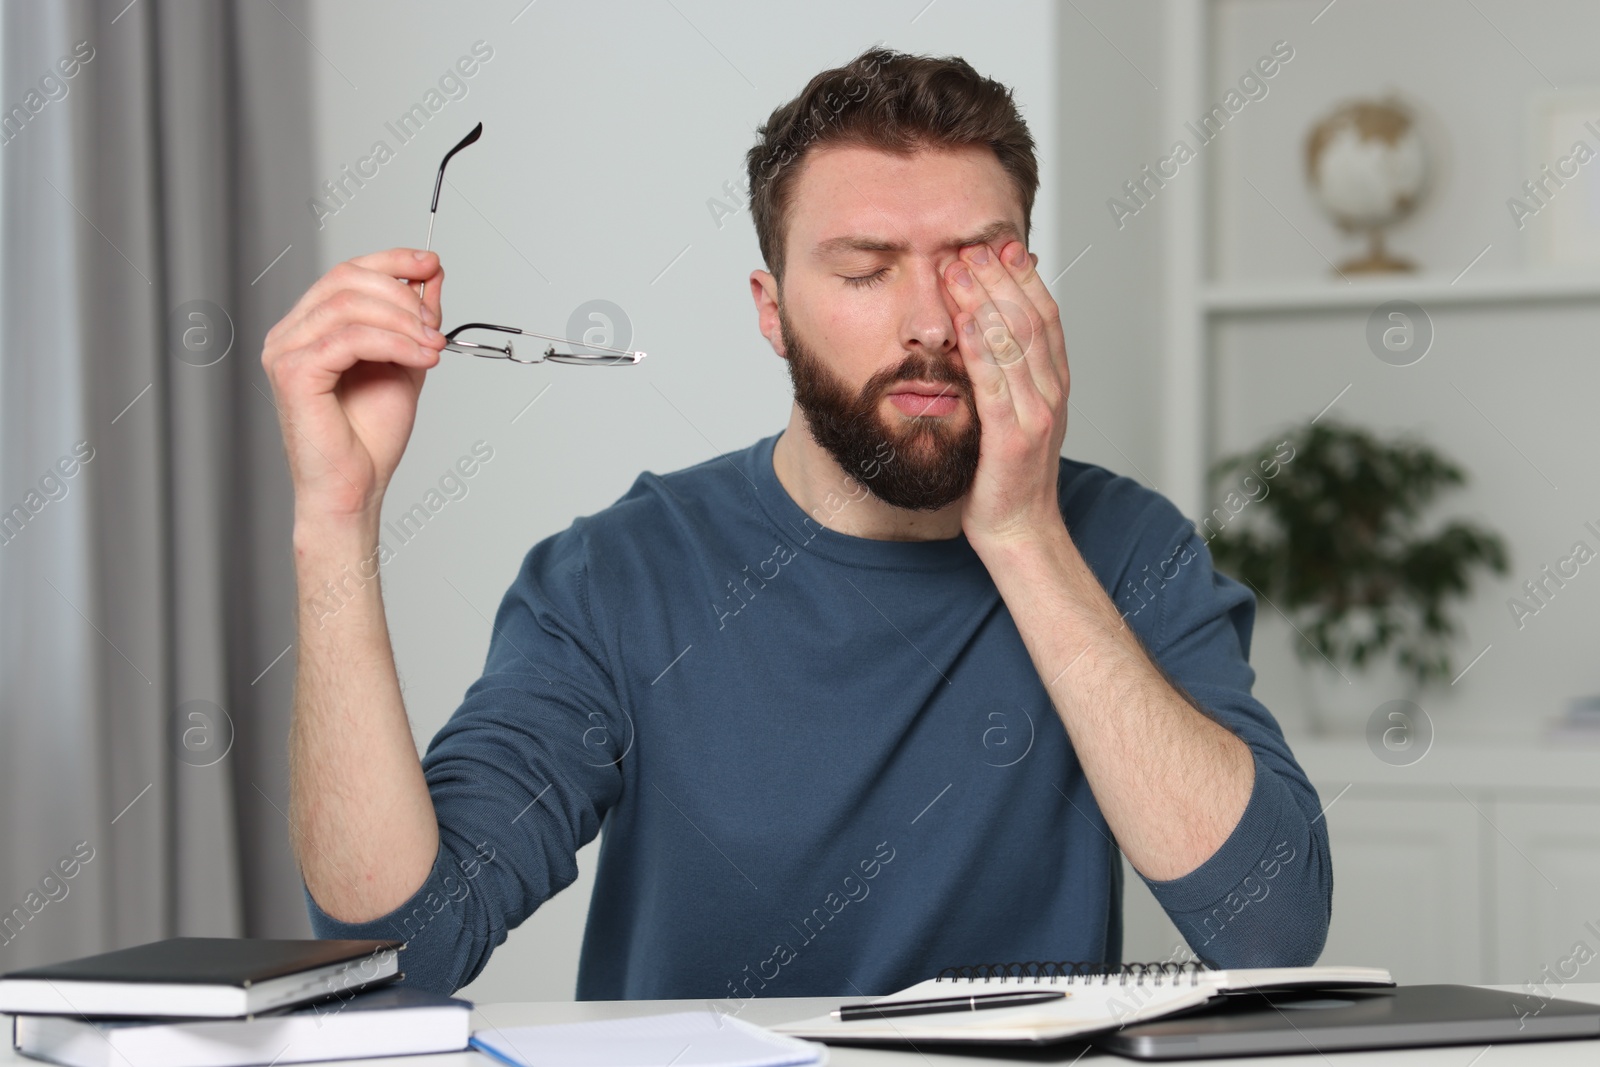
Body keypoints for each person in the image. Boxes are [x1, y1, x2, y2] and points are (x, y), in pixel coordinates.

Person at [262, 46, 1331, 1002]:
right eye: (865, 271)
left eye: (975, 268)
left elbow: (1270, 926)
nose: (928, 327)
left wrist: (1021, 535)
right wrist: (334, 520)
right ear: (771, 309)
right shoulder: (619, 573)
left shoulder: (1125, 547)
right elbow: (399, 954)